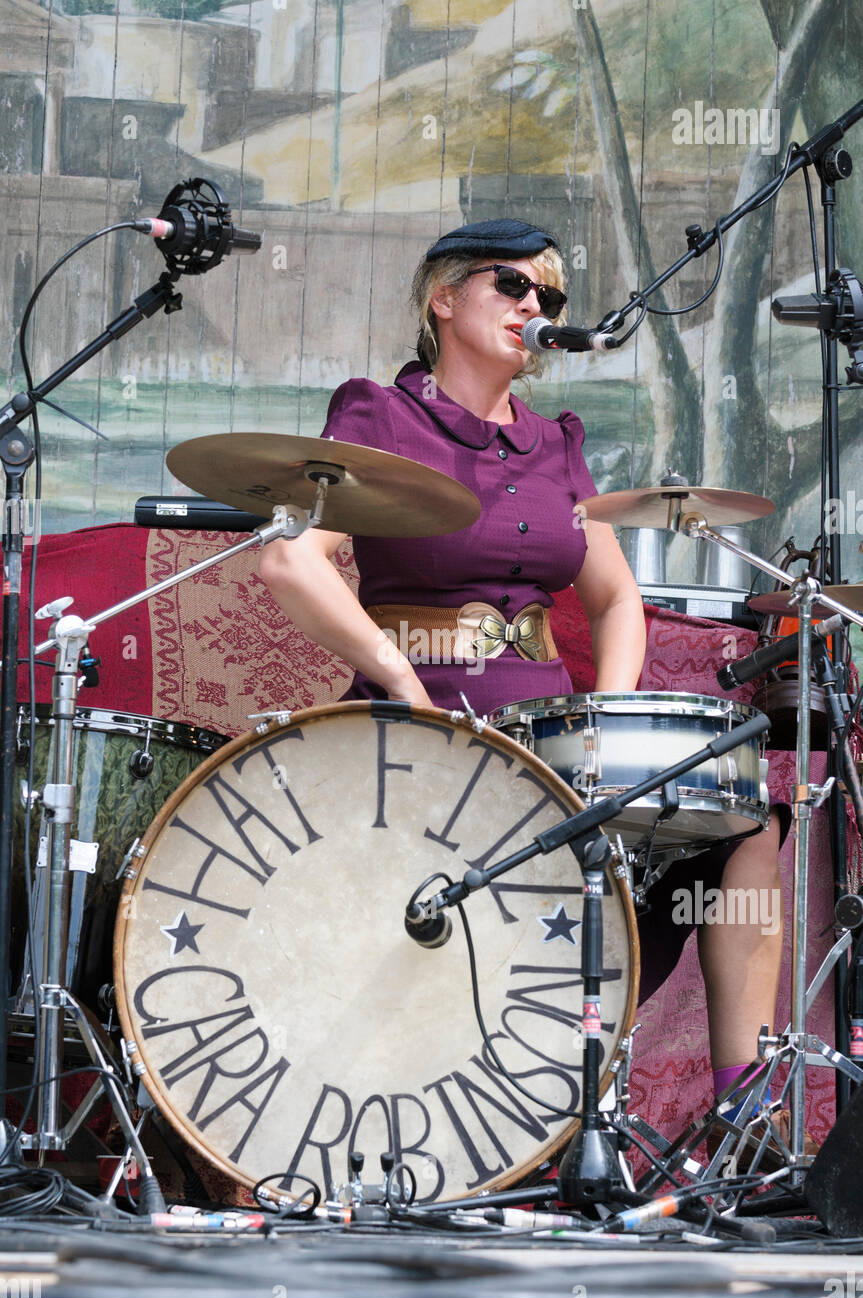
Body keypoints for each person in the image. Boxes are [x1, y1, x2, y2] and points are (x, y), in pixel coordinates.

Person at [259, 218, 790, 1148]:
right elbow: (291, 565)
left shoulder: (555, 445)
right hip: (418, 724)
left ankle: (745, 1116)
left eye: (548, 295)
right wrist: (395, 680)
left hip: (550, 731)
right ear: (443, 297)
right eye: (511, 286)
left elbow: (616, 599)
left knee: (743, 829)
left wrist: (613, 713)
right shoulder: (379, 418)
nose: (534, 307)